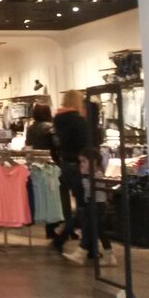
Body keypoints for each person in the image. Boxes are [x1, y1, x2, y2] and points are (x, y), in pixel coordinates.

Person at [51, 89, 91, 253]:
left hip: (64, 164)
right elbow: (85, 144)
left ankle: (77, 239)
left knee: (77, 205)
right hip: (78, 164)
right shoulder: (79, 121)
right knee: (84, 206)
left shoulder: (58, 119)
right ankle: (67, 236)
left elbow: (56, 143)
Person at [62, 148, 117, 267]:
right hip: (93, 205)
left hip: (96, 206)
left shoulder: (96, 175)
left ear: (94, 162)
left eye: (84, 161)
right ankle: (109, 256)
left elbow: (90, 190)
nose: (81, 164)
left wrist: (83, 176)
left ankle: (80, 254)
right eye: (80, 162)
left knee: (89, 230)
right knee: (99, 231)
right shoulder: (90, 176)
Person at [25, 102, 60, 239]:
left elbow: (28, 146)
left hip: (35, 164)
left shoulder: (30, 128)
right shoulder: (49, 127)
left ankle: (39, 218)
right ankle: (51, 227)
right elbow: (56, 145)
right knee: (52, 195)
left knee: (39, 194)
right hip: (50, 164)